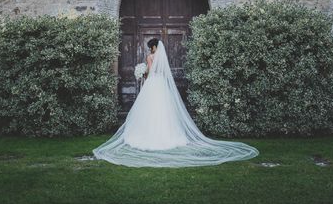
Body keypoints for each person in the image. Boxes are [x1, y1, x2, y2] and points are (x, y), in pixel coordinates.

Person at [92, 37, 259, 168]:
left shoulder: (150, 57)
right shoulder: (162, 57)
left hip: (152, 84)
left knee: (150, 110)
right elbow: (162, 73)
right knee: (164, 110)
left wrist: (142, 73)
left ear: (152, 47)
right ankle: (169, 135)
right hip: (162, 85)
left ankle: (149, 135)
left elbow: (150, 72)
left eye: (150, 47)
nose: (150, 49)